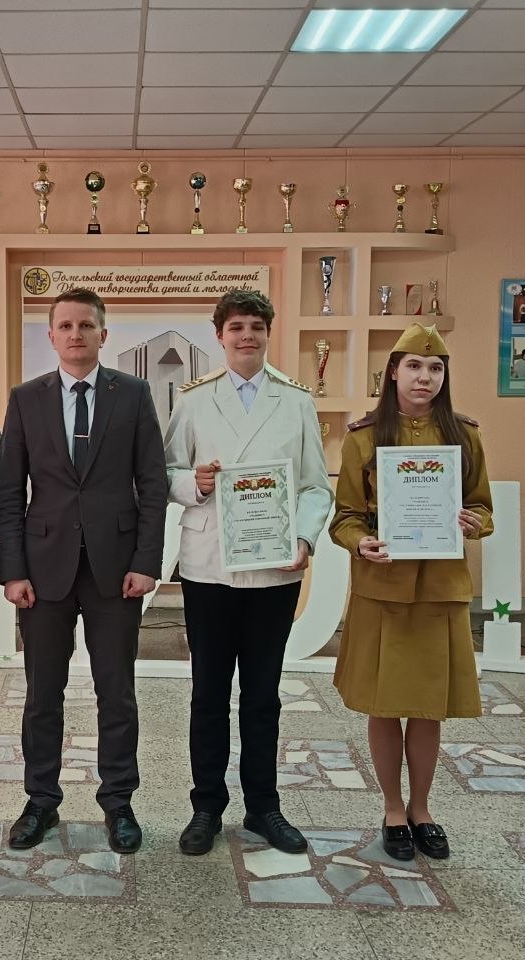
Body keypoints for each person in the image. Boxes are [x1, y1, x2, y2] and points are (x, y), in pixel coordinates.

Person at [162, 289, 333, 856]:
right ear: (219, 335)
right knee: (208, 694)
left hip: (274, 569)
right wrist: (194, 484)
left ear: (268, 333)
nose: (247, 336)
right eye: (236, 327)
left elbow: (314, 486)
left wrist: (304, 537)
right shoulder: (194, 400)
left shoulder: (296, 401)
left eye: (256, 326)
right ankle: (206, 807)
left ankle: (263, 807)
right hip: (209, 566)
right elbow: (164, 471)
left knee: (262, 696)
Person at [0, 287, 167, 855]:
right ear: (51, 336)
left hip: (116, 571)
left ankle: (118, 802)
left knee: (116, 693)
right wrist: (13, 570)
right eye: (65, 325)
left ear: (103, 334)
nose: (76, 334)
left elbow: (153, 485)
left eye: (86, 325)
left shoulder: (133, 394)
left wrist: (146, 563)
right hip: (43, 572)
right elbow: (10, 492)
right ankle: (40, 800)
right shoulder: (26, 399)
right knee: (43, 694)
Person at [330, 322, 493, 862]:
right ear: (394, 372)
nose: (425, 377)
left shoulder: (464, 435)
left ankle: (422, 809)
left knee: (427, 707)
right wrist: (360, 543)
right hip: (383, 589)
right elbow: (345, 517)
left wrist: (475, 522)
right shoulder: (364, 437)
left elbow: (483, 506)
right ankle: (393, 809)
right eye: (415, 366)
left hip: (439, 590)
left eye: (436, 368)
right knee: (384, 706)